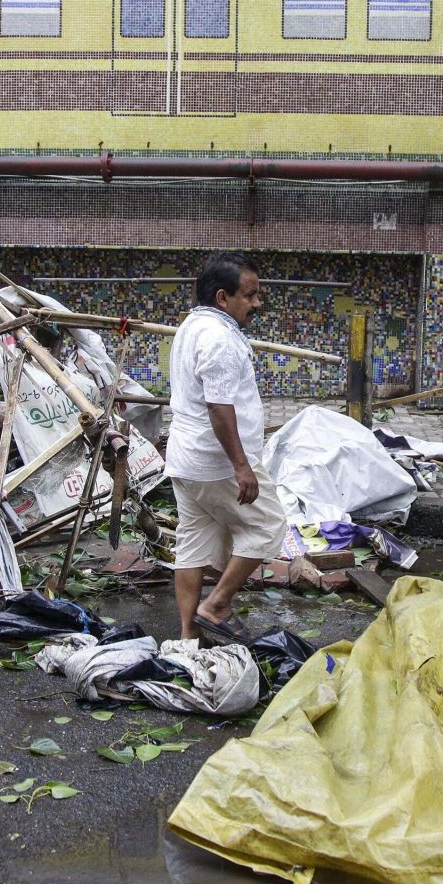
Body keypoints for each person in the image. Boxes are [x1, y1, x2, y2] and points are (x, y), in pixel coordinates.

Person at [165, 252, 287, 645]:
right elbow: (219, 407)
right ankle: (216, 605)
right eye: (250, 296)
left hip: (186, 460)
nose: (256, 304)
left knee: (194, 543)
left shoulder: (192, 325)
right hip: (215, 462)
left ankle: (188, 638)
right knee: (268, 524)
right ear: (223, 297)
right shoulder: (219, 338)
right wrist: (242, 466)